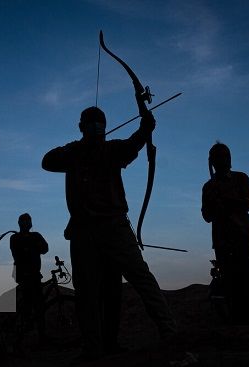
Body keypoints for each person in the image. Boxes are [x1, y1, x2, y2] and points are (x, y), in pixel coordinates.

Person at [42, 106, 176, 361]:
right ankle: (94, 348)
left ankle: (169, 333)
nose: (96, 127)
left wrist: (145, 127)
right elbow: (46, 161)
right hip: (83, 232)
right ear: (81, 127)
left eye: (99, 123)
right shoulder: (72, 153)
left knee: (136, 279)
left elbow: (134, 144)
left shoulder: (113, 150)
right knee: (88, 293)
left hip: (115, 228)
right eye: (90, 124)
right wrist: (79, 149)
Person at [201, 143, 249, 323]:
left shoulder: (241, 179)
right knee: (229, 280)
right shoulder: (208, 187)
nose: (223, 160)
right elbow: (206, 216)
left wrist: (227, 199)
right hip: (222, 239)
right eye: (218, 156)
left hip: (242, 236)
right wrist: (213, 202)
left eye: (225, 155)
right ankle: (235, 319)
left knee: (246, 277)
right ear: (212, 161)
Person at [10, 213, 48, 343]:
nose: (26, 224)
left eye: (27, 221)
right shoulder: (16, 238)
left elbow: (44, 249)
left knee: (36, 305)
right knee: (35, 304)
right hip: (25, 275)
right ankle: (32, 334)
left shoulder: (21, 237)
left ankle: (38, 334)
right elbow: (42, 249)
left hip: (30, 274)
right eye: (24, 221)